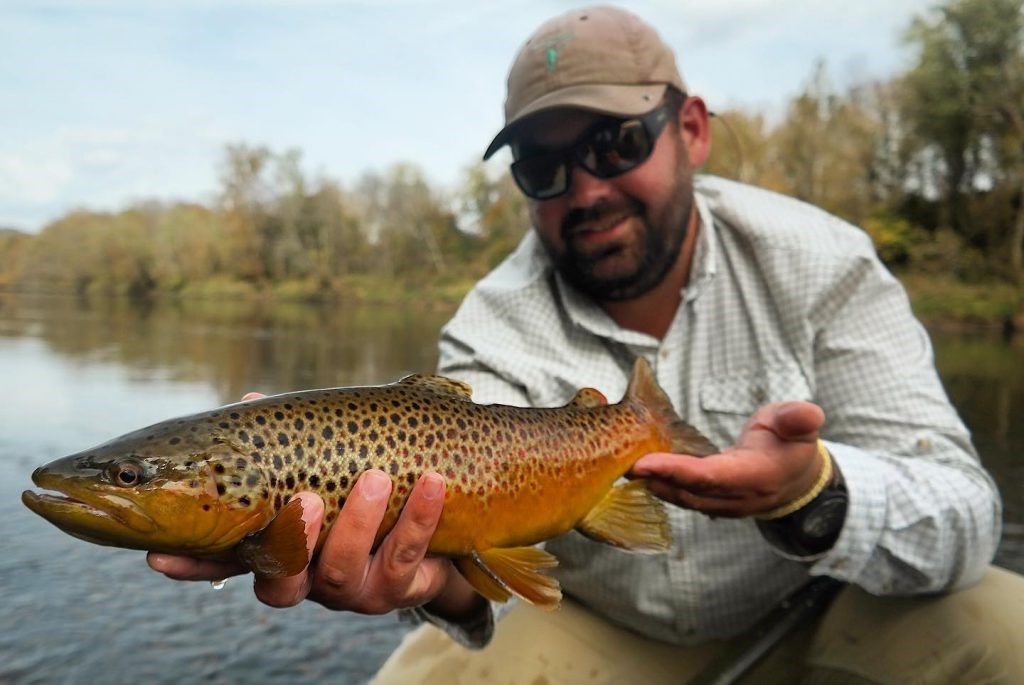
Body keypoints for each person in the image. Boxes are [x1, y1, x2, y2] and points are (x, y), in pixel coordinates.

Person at [148, 5, 1024, 683]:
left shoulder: (823, 262)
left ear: (692, 131)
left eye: (614, 142)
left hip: (828, 606)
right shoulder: (491, 324)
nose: (586, 187)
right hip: (602, 622)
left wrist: (813, 492)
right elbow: (466, 557)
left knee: (1003, 630)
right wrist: (423, 579)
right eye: (543, 164)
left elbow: (967, 513)